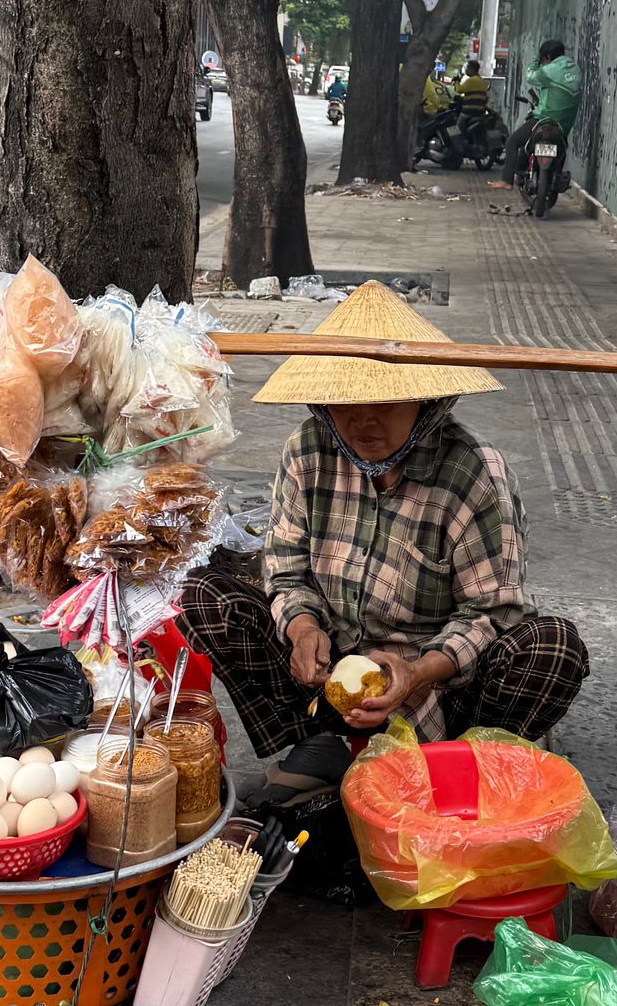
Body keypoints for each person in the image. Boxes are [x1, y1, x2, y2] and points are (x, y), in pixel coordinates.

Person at [177, 278, 590, 805]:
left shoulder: (473, 472)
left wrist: (416, 673)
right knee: (202, 595)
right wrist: (303, 629)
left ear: (425, 401)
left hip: (436, 687)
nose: (363, 421)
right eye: (347, 403)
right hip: (328, 681)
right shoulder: (308, 451)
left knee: (552, 647)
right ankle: (324, 743)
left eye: (386, 402)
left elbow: (493, 611)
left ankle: (455, 764)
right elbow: (285, 569)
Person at [504, 36, 581, 177]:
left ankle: (508, 179)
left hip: (545, 118)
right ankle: (556, 175)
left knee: (513, 141)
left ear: (547, 57)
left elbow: (531, 76)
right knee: (562, 150)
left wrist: (535, 61)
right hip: (564, 125)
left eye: (543, 60)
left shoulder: (549, 70)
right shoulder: (575, 69)